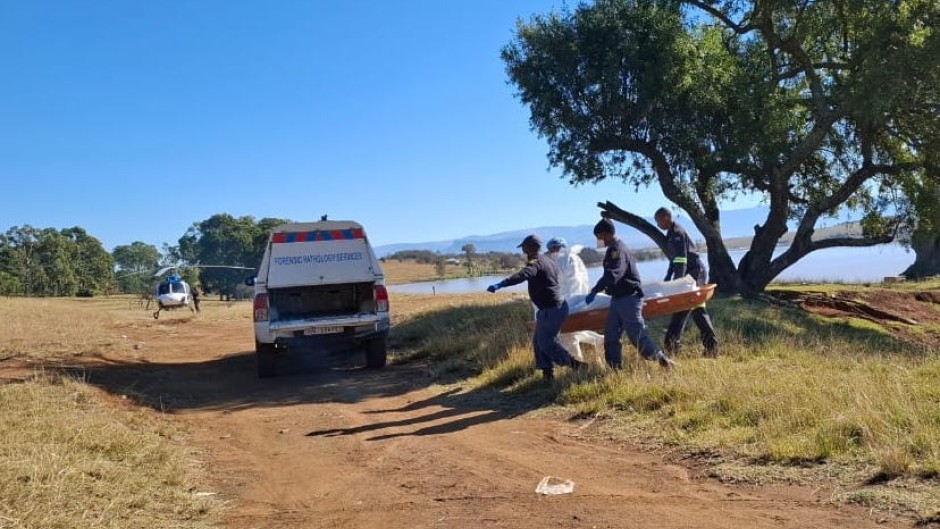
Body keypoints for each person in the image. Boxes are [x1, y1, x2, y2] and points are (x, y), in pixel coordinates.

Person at [487, 234, 585, 380]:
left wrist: (502, 284)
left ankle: (576, 365)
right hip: (548, 309)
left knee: (546, 341)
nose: (523, 251)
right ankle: (547, 373)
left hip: (553, 309)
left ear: (530, 247)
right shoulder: (547, 260)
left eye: (524, 247)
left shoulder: (536, 261)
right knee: (538, 342)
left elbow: (524, 274)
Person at [584, 218, 675, 370]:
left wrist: (596, 289)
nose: (599, 240)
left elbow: (614, 274)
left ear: (607, 234)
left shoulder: (617, 250)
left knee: (637, 335)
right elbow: (609, 274)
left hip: (629, 299)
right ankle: (615, 368)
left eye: (599, 237)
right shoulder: (612, 249)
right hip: (617, 300)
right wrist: (595, 289)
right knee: (611, 336)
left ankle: (663, 361)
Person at [654, 207, 718, 357]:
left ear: (666, 218)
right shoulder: (671, 233)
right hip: (690, 274)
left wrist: (678, 283)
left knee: (683, 306)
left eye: (658, 222)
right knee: (697, 310)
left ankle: (671, 345)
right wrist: (667, 278)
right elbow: (674, 260)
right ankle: (711, 348)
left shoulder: (677, 233)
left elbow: (682, 261)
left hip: (694, 273)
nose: (658, 225)